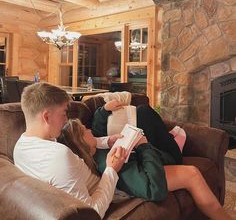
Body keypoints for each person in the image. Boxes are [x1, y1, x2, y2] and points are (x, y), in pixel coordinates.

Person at [59, 102, 234, 220]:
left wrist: (104, 109)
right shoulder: (107, 161)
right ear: (81, 141)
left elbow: (96, 126)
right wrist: (144, 146)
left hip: (148, 158)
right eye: (84, 130)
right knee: (192, 173)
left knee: (143, 111)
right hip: (156, 161)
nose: (89, 129)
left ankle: (172, 138)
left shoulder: (95, 147)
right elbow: (153, 188)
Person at [13, 82, 127, 219]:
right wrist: (112, 169)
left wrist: (104, 141)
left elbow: (73, 141)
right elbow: (94, 212)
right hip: (108, 195)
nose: (66, 119)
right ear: (47, 117)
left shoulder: (20, 147)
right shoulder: (59, 156)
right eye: (63, 113)